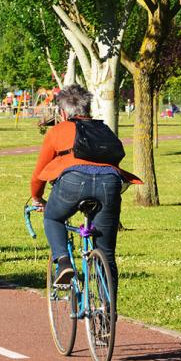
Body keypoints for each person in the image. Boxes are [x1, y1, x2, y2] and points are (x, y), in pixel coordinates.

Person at [30, 84, 140, 286]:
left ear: (63, 113)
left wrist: (37, 197)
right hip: (110, 183)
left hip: (73, 181)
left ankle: (63, 262)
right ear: (88, 108)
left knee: (53, 217)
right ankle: (108, 304)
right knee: (106, 253)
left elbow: (39, 173)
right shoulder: (104, 129)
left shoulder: (58, 130)